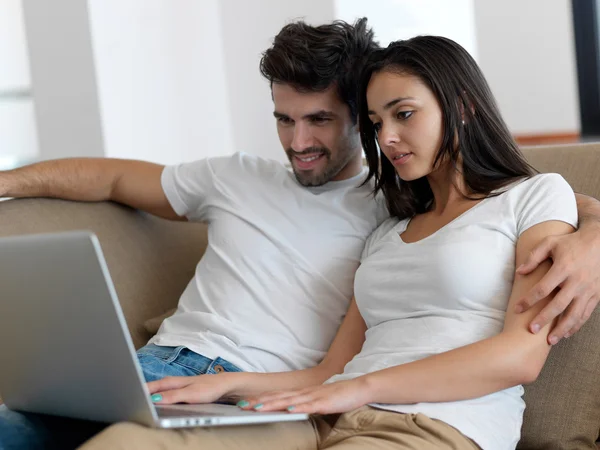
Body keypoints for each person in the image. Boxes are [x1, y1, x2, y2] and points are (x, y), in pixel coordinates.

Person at [0, 19, 599, 449]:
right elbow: (326, 372)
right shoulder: (388, 229)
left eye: (404, 114)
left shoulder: (523, 195)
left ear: (460, 105)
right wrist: (221, 388)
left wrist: (595, 230)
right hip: (304, 408)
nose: (388, 137)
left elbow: (521, 354)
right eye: (376, 121)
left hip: (418, 423)